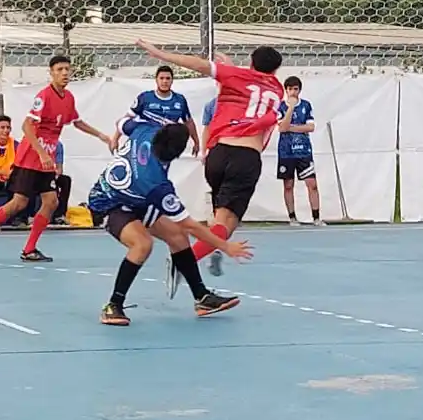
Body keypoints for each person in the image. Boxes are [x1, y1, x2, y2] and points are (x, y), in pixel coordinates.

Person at [136, 40, 284, 278]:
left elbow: (200, 65)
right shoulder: (278, 90)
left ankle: (212, 251)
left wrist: (161, 54)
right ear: (276, 71)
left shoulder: (236, 76)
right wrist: (234, 69)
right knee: (227, 224)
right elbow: (256, 91)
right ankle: (185, 262)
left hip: (217, 154)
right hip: (244, 157)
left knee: (219, 218)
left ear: (250, 63)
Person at [88, 120, 251, 325]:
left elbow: (122, 123)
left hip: (136, 197)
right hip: (107, 203)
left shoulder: (144, 129)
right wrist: (225, 246)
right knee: (142, 244)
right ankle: (113, 305)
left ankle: (202, 297)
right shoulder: (158, 185)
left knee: (177, 236)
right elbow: (190, 225)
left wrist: (114, 138)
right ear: (177, 154)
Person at [0, 54, 113, 262]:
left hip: (46, 160)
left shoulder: (69, 98)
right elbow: (26, 126)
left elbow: (77, 121)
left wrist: (101, 135)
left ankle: (29, 249)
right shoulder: (44, 96)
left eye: (67, 69)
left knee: (51, 201)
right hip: (31, 157)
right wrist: (42, 153)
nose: (65, 73)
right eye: (60, 70)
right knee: (19, 203)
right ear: (51, 73)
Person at [110, 65, 199, 153]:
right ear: (156, 80)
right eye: (161, 78)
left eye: (168, 78)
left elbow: (188, 122)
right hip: (142, 142)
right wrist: (115, 139)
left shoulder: (179, 100)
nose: (165, 81)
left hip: (164, 145)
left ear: (172, 80)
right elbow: (127, 118)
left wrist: (196, 142)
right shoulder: (145, 97)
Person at [276, 76, 325, 226]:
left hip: (304, 151)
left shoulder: (306, 105)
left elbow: (310, 127)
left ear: (299, 90)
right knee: (288, 185)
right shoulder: (280, 107)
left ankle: (316, 217)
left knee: (312, 184)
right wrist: (290, 108)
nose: (292, 92)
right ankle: (292, 217)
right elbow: (281, 128)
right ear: (286, 90)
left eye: (295, 89)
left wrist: (292, 128)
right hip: (286, 151)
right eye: (290, 89)